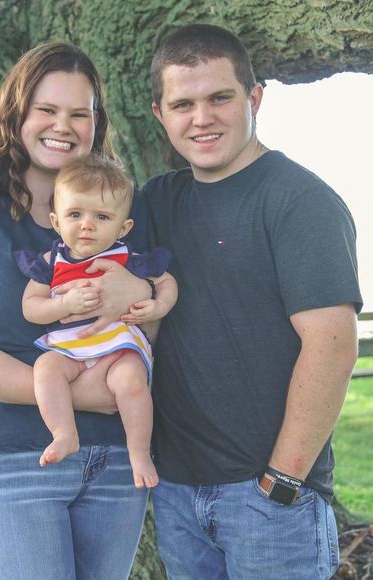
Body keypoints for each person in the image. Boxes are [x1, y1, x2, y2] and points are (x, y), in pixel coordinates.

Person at [0, 42, 156, 580]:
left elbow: (150, 316)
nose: (62, 126)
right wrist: (74, 394)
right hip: (2, 455)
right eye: (46, 109)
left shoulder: (117, 206)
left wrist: (147, 292)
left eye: (79, 113)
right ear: (16, 112)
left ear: (97, 123)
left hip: (113, 460)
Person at [140, 23, 362, 579]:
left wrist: (282, 480)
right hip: (176, 493)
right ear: (160, 115)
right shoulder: (156, 203)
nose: (201, 118)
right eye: (183, 104)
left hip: (268, 500)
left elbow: (332, 347)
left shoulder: (300, 201)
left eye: (220, 98)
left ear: (254, 98)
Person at [15, 153, 177, 487]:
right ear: (56, 221)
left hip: (118, 346)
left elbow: (167, 281)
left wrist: (158, 305)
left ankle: (139, 452)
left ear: (123, 227)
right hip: (70, 348)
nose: (86, 225)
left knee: (131, 384)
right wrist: (64, 305)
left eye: (101, 216)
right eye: (75, 214)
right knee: (46, 369)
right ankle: (64, 433)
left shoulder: (126, 257)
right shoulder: (52, 261)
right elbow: (31, 307)